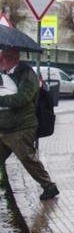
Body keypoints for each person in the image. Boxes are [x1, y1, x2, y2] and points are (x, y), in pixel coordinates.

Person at [0, 47, 58, 200]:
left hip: (21, 127)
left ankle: (49, 186)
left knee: (27, 159)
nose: (1, 61)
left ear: (11, 58)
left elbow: (23, 98)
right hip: (5, 127)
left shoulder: (27, 74)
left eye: (3, 58)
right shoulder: (7, 74)